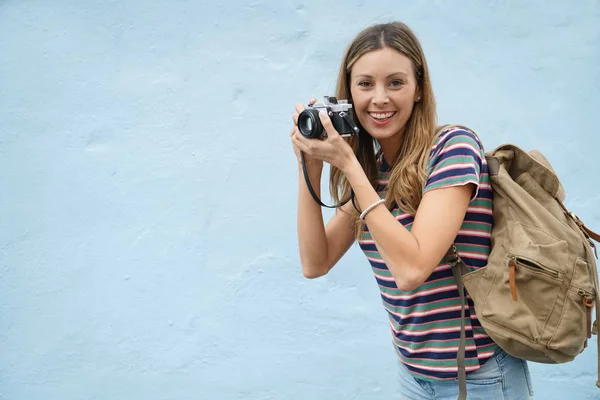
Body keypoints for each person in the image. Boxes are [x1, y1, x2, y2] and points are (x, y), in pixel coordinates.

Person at [289, 21, 534, 399]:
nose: (380, 98)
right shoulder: (374, 174)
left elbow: (412, 270)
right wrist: (311, 167)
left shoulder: (452, 148)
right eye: (365, 84)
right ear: (349, 94)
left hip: (480, 377)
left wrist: (351, 167)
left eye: (396, 83)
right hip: (414, 377)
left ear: (419, 89)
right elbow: (314, 262)